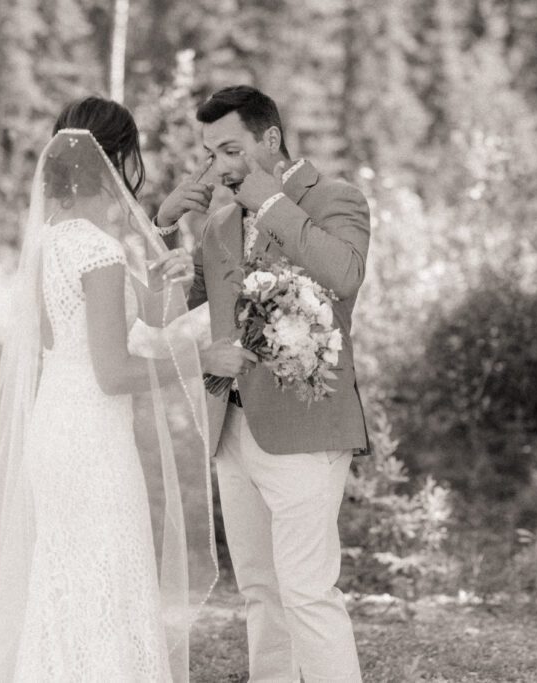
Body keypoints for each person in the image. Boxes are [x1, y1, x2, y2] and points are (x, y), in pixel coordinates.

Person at [0, 96, 218, 682]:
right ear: (120, 158)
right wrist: (200, 360)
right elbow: (113, 372)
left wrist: (172, 269)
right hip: (92, 440)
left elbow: (145, 312)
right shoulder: (97, 249)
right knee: (107, 576)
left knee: (68, 585)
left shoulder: (55, 238)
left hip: (57, 427)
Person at [153, 84, 371, 682]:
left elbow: (345, 275)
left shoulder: (335, 198)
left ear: (269, 139)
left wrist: (272, 204)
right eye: (211, 154)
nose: (217, 167)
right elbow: (165, 303)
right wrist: (164, 221)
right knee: (259, 590)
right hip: (231, 426)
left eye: (230, 150)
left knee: (306, 590)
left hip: (305, 425)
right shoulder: (221, 221)